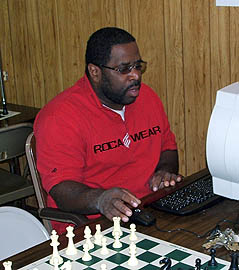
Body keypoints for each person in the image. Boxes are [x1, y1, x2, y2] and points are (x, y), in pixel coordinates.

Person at [34, 27, 183, 234]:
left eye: (138, 66)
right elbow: (62, 189)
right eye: (124, 69)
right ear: (95, 72)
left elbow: (168, 147)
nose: (136, 76)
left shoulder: (147, 97)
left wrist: (165, 170)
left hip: (150, 212)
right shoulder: (59, 117)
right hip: (92, 226)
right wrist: (101, 199)